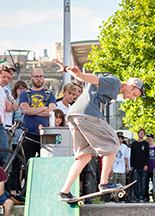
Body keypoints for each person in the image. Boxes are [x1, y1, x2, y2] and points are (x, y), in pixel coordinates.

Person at [52, 60, 146, 202]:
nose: (133, 99)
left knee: (84, 156)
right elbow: (95, 80)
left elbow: (87, 81)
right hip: (88, 115)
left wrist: (69, 70)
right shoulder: (115, 82)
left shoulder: (110, 89)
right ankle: (104, 182)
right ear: (131, 86)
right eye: (135, 94)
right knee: (113, 143)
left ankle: (64, 192)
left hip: (74, 116)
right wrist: (81, 74)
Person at [19, 68, 56, 165]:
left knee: (46, 163)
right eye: (36, 76)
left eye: (41, 76)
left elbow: (51, 112)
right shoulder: (24, 94)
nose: (39, 79)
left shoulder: (50, 94)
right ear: (31, 78)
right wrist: (44, 107)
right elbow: (25, 111)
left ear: (43, 78)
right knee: (25, 164)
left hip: (46, 134)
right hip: (29, 134)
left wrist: (33, 110)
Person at [130, 129, 150, 203]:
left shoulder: (146, 144)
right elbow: (132, 155)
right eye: (140, 133)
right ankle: (136, 196)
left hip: (143, 166)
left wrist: (146, 165)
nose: (141, 134)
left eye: (143, 133)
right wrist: (132, 165)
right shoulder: (134, 144)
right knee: (135, 182)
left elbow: (147, 155)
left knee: (143, 183)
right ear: (138, 134)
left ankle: (142, 196)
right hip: (135, 166)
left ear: (144, 135)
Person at [111, 132, 130, 202]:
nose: (120, 140)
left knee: (122, 184)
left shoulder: (125, 147)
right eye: (118, 139)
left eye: (121, 139)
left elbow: (126, 158)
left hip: (122, 168)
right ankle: (114, 197)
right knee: (114, 184)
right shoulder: (113, 146)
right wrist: (110, 168)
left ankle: (121, 197)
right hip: (115, 168)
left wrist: (127, 166)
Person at [146, 133, 155, 201]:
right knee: (146, 183)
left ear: (153, 139)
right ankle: (146, 197)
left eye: (150, 139)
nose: (148, 140)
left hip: (154, 168)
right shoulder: (146, 147)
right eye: (147, 139)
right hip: (147, 168)